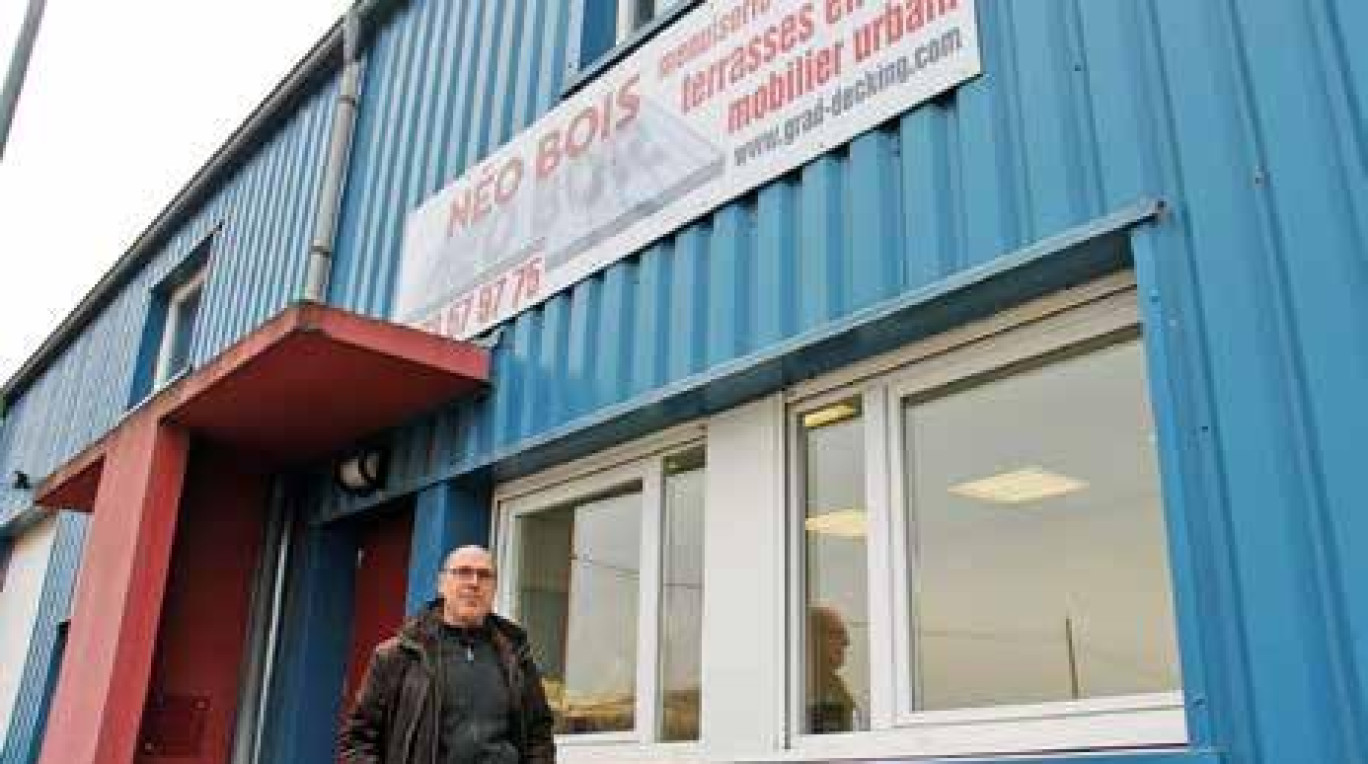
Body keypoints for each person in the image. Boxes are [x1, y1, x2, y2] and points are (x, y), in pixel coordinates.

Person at [339, 545, 556, 763]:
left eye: (484, 575)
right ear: (441, 584)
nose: (474, 582)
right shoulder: (398, 656)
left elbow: (539, 735)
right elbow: (357, 739)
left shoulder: (515, 656)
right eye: (463, 572)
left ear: (494, 588)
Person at [807, 604, 857, 734]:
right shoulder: (796, 689)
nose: (846, 642)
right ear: (813, 637)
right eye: (837, 633)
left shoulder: (833, 685)